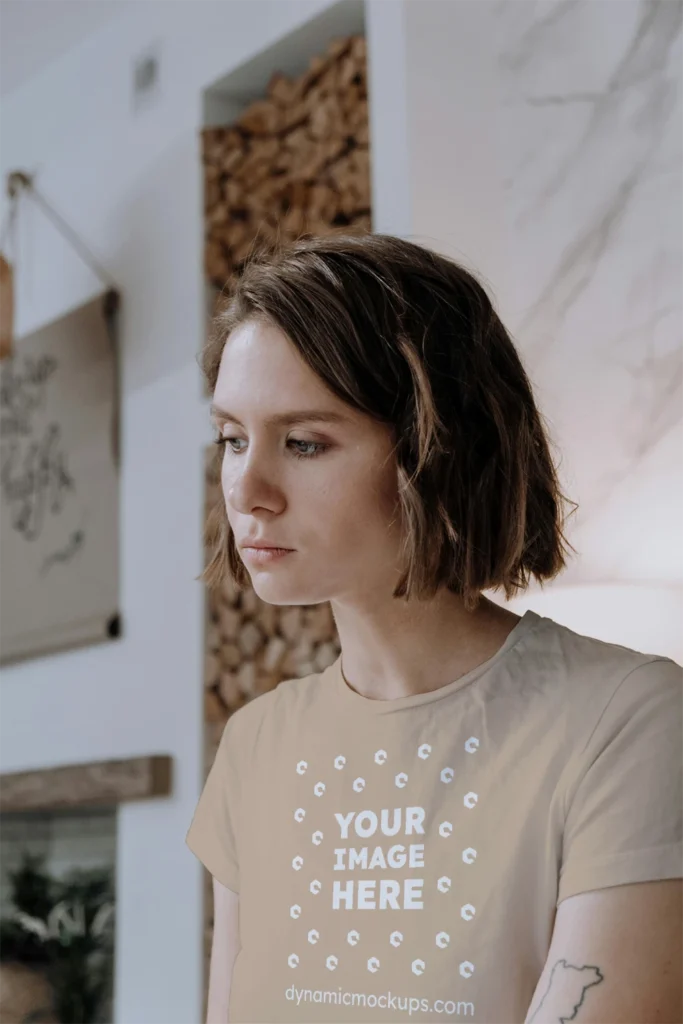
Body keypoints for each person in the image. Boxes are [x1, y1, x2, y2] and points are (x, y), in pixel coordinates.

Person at [186, 233, 683, 1024]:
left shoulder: (628, 719)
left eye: (304, 442)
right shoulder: (256, 745)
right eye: (231, 439)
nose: (246, 487)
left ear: (437, 449)